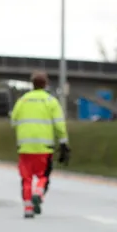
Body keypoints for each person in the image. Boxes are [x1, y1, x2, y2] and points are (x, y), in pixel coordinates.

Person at [10, 71, 71, 218]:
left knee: (26, 178)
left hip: (25, 147)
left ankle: (28, 209)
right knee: (43, 175)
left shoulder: (22, 101)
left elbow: (13, 121)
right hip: (44, 148)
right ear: (46, 84)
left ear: (32, 84)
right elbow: (59, 125)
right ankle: (38, 192)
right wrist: (63, 143)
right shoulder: (51, 101)